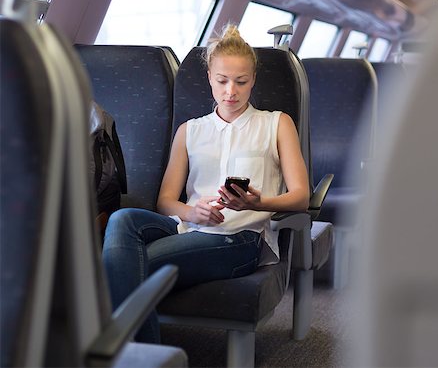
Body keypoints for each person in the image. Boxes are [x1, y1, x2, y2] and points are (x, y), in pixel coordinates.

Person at [102, 24, 310, 343]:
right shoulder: (190, 130)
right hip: (190, 228)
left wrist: (257, 203)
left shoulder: (277, 124)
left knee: (125, 266)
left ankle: (137, 358)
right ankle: (147, 357)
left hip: (240, 238)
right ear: (209, 78)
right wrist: (192, 212)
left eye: (241, 82)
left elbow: (300, 198)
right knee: (123, 219)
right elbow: (166, 202)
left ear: (253, 79)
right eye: (222, 81)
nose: (231, 91)